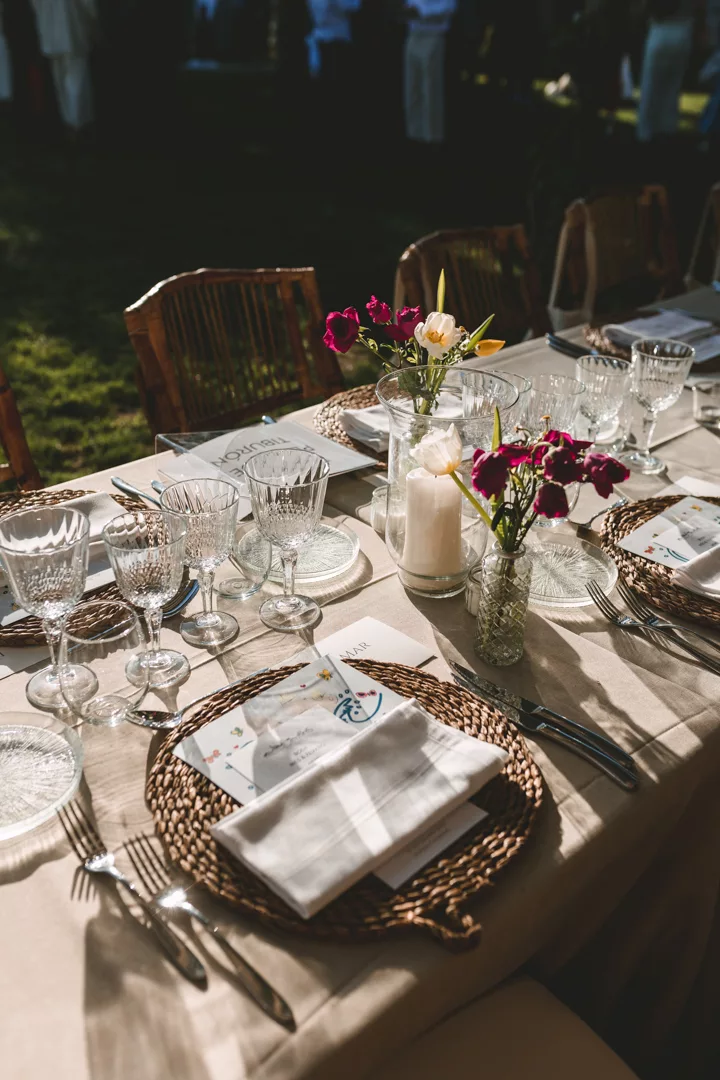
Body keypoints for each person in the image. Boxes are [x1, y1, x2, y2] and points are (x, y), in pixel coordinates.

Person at [637, 0, 698, 142]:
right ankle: (667, 130)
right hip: (684, 26)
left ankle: (646, 133)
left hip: (661, 27)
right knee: (672, 87)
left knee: (651, 87)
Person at [29, 0, 96, 131]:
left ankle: (69, 120)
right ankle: (77, 122)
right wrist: (93, 26)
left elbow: (35, 6)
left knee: (60, 77)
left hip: (50, 33)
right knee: (76, 76)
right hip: (72, 30)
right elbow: (88, 6)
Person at [403, 0, 457, 144]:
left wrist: (421, 12)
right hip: (413, 34)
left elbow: (449, 7)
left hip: (433, 34)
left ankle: (432, 138)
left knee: (431, 90)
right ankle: (414, 136)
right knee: (412, 89)